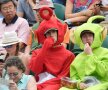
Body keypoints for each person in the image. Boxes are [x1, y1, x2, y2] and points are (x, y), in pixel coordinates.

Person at [29, 7, 75, 90]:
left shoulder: (69, 55)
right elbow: (36, 69)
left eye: (53, 31)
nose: (51, 35)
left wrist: (43, 85)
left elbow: (63, 78)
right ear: (44, 36)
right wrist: (45, 48)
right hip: (38, 83)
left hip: (54, 84)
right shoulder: (36, 52)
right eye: (48, 33)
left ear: (59, 32)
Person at [60, 22, 108, 90]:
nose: (87, 38)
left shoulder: (105, 52)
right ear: (81, 40)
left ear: (96, 36)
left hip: (101, 83)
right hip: (83, 85)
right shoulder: (78, 57)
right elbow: (74, 77)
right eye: (84, 36)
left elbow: (103, 72)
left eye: (90, 35)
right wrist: (79, 84)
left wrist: (90, 54)